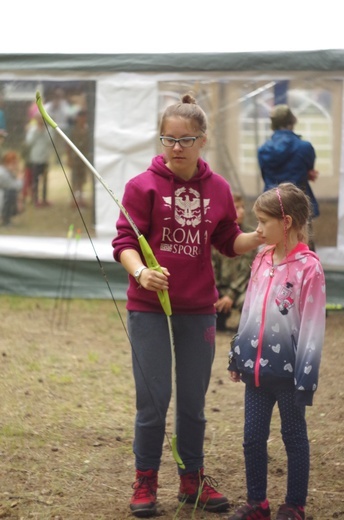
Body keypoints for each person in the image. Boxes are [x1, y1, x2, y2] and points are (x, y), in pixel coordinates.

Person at [112, 93, 264, 518]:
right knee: (154, 399)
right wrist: (142, 273)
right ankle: (145, 480)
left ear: (202, 141)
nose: (176, 147)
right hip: (149, 307)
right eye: (168, 139)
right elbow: (124, 243)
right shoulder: (141, 186)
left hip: (199, 308)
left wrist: (257, 237)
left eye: (185, 139)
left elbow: (226, 239)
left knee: (193, 401)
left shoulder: (217, 188)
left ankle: (190, 478)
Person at [227, 183, 326, 520]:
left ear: (285, 222)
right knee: (252, 438)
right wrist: (236, 355)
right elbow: (249, 310)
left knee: (294, 437)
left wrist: (305, 378)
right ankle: (258, 503)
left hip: (288, 376)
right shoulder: (261, 258)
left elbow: (313, 326)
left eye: (262, 222)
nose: (256, 229)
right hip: (255, 373)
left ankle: (294, 505)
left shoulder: (309, 269)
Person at [258, 105, 319, 251]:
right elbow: (309, 169)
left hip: (272, 205)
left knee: (273, 249)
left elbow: (265, 175)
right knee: (303, 249)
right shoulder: (305, 147)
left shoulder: (263, 150)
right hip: (298, 205)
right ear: (292, 122)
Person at [212, 193, 256, 332]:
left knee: (251, 301)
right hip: (219, 289)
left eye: (243, 207)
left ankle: (245, 327)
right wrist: (215, 293)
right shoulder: (215, 234)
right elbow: (211, 266)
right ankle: (218, 319)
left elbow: (246, 270)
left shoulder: (250, 236)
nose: (242, 211)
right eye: (237, 208)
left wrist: (230, 295)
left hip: (240, 289)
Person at [25, 112, 52, 207]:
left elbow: (51, 141)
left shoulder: (48, 129)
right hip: (35, 158)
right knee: (35, 180)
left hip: (45, 158)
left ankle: (44, 199)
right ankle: (35, 199)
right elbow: (29, 142)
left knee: (45, 180)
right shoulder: (32, 130)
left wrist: (44, 131)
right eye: (39, 119)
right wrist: (36, 132)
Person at [67, 109, 90, 207]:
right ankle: (74, 199)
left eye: (84, 117)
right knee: (75, 180)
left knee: (82, 180)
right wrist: (69, 158)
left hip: (84, 159)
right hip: (75, 159)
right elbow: (68, 146)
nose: (82, 119)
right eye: (81, 117)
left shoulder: (87, 131)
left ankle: (81, 199)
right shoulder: (73, 131)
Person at [0, 150, 24, 226]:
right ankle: (6, 220)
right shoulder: (2, 173)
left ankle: (6, 218)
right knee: (10, 193)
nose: (16, 166)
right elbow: (15, 186)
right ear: (6, 163)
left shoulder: (6, 171)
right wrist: (20, 178)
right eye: (13, 164)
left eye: (16, 163)